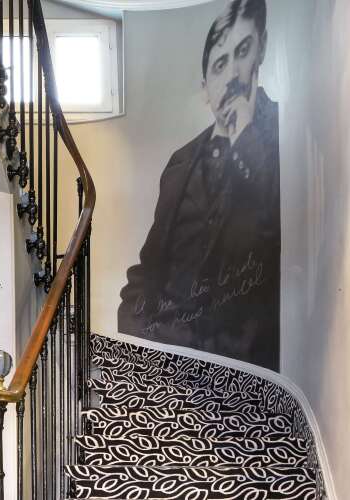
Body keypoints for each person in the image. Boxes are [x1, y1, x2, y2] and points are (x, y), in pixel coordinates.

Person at [118, 0, 280, 370]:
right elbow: (147, 272)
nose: (233, 74)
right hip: (166, 360)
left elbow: (277, 243)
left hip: (243, 371)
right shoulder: (181, 162)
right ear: (205, 87)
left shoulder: (288, 139)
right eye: (219, 64)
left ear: (261, 52)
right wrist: (137, 344)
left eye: (243, 51)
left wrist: (245, 137)